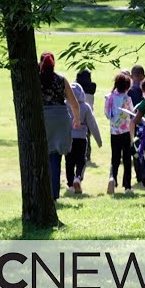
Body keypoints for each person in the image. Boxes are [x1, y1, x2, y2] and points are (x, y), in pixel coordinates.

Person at [39, 51, 81, 201]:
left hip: (42, 118)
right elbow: (74, 104)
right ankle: (54, 195)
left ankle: (41, 192)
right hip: (60, 118)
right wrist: (76, 120)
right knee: (55, 158)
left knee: (40, 156)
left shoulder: (35, 80)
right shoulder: (61, 80)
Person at [65, 83, 102, 194]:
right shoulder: (86, 107)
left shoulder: (65, 105)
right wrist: (98, 140)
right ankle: (78, 177)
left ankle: (71, 184)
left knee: (69, 161)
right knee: (81, 160)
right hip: (81, 138)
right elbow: (92, 124)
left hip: (69, 138)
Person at [104, 73, 135, 195]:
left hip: (114, 132)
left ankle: (113, 178)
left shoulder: (109, 98)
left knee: (115, 158)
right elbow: (131, 114)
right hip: (126, 132)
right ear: (127, 86)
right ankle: (127, 186)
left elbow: (107, 114)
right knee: (127, 159)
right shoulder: (127, 99)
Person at [127, 64, 145, 185]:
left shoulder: (128, 91)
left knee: (134, 150)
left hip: (131, 124)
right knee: (143, 149)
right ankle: (144, 174)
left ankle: (139, 175)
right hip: (143, 124)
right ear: (143, 77)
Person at [76, 69, 97, 161]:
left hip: (77, 112)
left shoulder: (76, 88)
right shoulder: (93, 86)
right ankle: (87, 154)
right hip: (88, 112)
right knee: (87, 135)